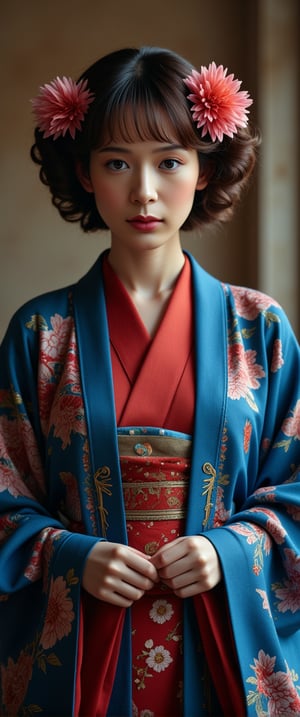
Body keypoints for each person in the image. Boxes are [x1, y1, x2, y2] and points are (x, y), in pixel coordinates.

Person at [0, 46, 299, 717]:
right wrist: (72, 555)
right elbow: (3, 498)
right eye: (116, 163)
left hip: (217, 646)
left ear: (203, 168)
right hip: (88, 657)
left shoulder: (262, 329)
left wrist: (231, 548)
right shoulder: (39, 334)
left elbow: (298, 488)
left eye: (169, 160)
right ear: (84, 172)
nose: (144, 191)